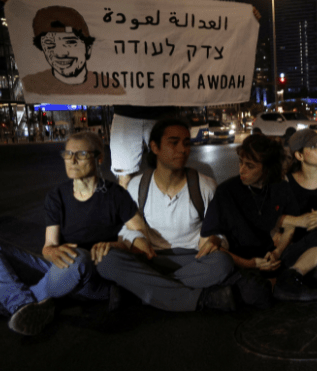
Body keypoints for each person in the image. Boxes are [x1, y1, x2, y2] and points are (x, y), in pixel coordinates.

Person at [0, 132, 147, 335]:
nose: (72, 160)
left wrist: (116, 246)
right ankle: (20, 304)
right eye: (68, 154)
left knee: (78, 258)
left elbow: (143, 241)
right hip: (59, 268)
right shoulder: (57, 196)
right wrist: (51, 252)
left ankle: (6, 303)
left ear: (99, 158)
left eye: (82, 154)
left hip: (94, 278)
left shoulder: (116, 196)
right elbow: (48, 246)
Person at [95, 119, 236, 312]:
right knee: (106, 261)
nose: (182, 150)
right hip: (150, 258)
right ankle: (201, 298)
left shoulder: (205, 185)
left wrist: (214, 240)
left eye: (186, 143)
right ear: (155, 147)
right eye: (173, 142)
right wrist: (137, 240)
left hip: (193, 259)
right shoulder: (137, 186)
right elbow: (126, 229)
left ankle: (140, 293)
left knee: (222, 263)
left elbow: (219, 231)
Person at [199, 135, 317, 300]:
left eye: (249, 166)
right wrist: (251, 263)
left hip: (276, 257)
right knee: (254, 290)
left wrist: (278, 252)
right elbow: (211, 243)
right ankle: (280, 284)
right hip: (244, 262)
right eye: (241, 162)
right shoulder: (227, 191)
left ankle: (288, 278)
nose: (241, 170)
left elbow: (290, 229)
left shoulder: (280, 187)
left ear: (267, 168)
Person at [110, 0, 175, 190]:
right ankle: (128, 218)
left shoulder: (171, 20)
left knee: (168, 167)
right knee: (124, 173)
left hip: (161, 110)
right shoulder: (114, 18)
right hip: (127, 110)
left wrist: (245, 18)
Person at [272, 129, 317, 301]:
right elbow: (269, 218)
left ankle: (298, 276)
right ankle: (293, 277)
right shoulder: (286, 182)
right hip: (294, 249)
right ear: (299, 156)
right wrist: (299, 221)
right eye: (313, 146)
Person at [20, 6, 126, 96]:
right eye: (50, 45)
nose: (61, 53)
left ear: (88, 49)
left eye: (70, 43)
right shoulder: (31, 85)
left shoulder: (111, 87)